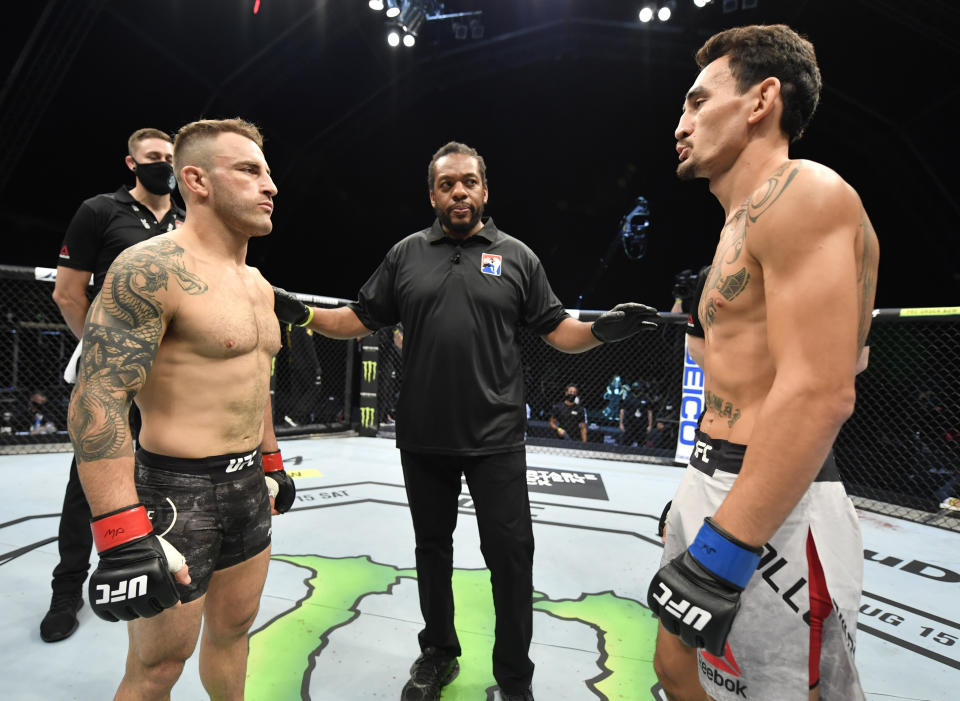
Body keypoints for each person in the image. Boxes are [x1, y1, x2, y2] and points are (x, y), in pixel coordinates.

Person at [273, 141, 660, 701]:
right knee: (432, 550)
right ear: (432, 193)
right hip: (424, 436)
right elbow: (359, 318)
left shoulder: (517, 257)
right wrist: (304, 314)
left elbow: (558, 328)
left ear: (485, 190)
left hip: (496, 438)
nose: (460, 191)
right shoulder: (406, 255)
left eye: (470, 182)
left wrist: (604, 330)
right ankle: (438, 653)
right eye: (448, 183)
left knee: (510, 558)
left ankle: (514, 678)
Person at [648, 25, 878, 701]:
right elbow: (735, 356)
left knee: (779, 691)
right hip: (715, 475)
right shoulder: (737, 222)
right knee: (676, 669)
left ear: (761, 100)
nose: (680, 122)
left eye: (697, 101)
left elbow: (822, 391)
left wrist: (722, 550)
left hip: (774, 505)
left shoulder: (806, 192)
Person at [67, 117, 295, 699]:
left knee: (235, 633)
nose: (270, 185)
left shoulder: (259, 285)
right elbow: (98, 395)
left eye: (267, 171)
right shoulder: (150, 268)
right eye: (249, 171)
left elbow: (255, 381)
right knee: (158, 667)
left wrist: (271, 461)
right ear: (195, 179)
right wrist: (119, 532)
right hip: (175, 491)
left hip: (248, 486)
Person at [42, 127, 185, 643]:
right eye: (153, 157)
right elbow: (67, 293)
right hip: (116, 369)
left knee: (170, 469)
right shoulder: (100, 211)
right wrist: (107, 355)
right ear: (131, 163)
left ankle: (163, 569)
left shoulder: (190, 219)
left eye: (170, 156)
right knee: (91, 476)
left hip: (175, 372)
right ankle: (66, 590)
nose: (163, 164)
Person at [619, 381, 652, 447]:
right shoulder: (628, 398)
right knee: (627, 442)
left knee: (641, 443)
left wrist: (650, 425)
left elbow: (649, 412)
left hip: (641, 424)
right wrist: (621, 423)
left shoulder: (645, 399)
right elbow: (622, 410)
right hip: (629, 423)